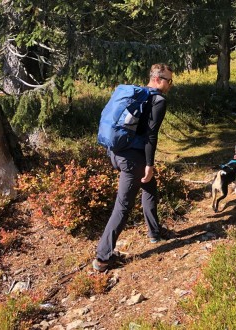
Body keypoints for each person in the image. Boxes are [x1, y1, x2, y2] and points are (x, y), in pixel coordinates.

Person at [93, 63, 173, 272]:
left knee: (149, 187)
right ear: (156, 79)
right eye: (167, 80)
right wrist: (149, 164)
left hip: (118, 153)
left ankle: (154, 232)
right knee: (123, 206)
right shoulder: (158, 100)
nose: (170, 85)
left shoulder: (139, 95)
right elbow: (150, 135)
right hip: (133, 159)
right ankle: (103, 258)